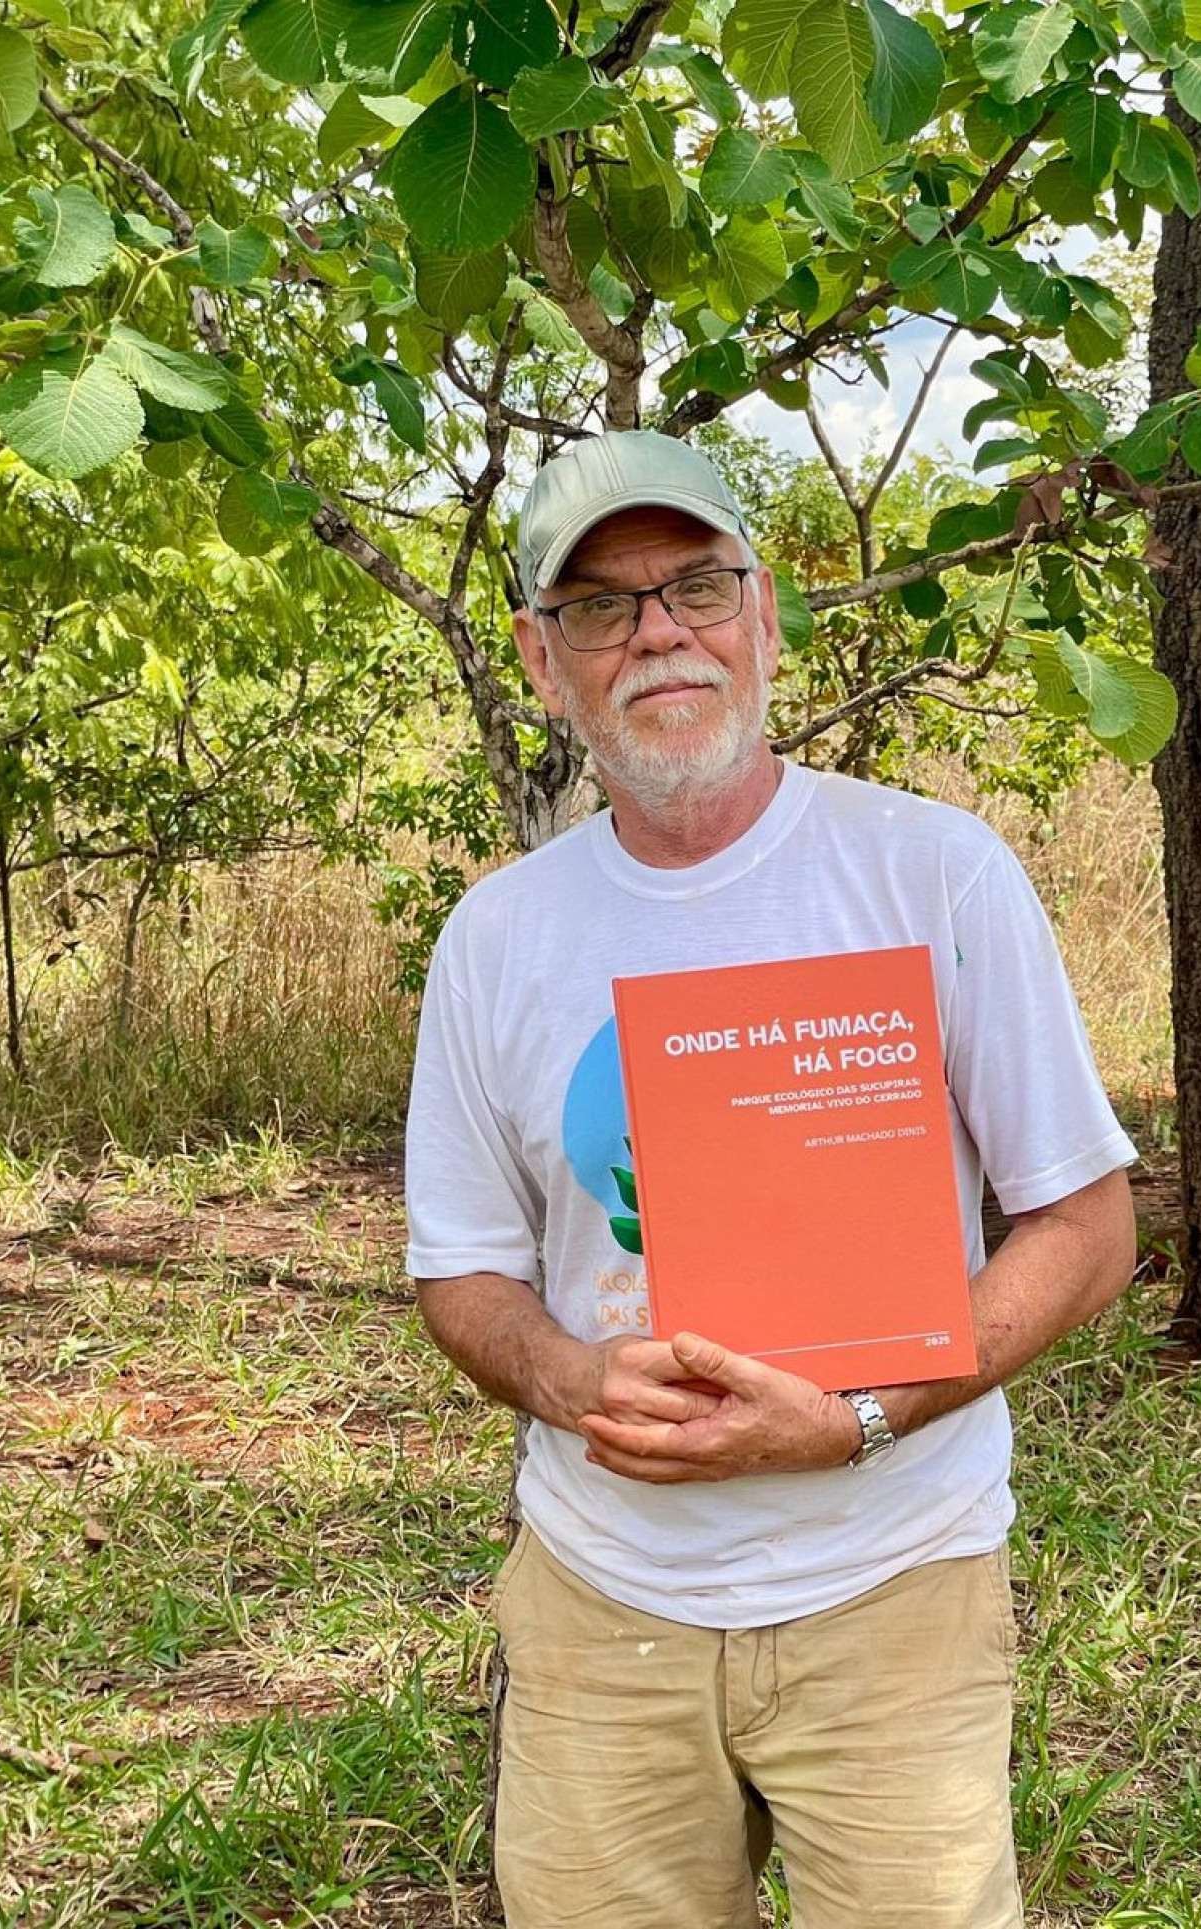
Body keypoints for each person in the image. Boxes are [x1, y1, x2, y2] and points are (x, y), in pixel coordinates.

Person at [402, 429, 1139, 1928]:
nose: (659, 631)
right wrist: (561, 1374)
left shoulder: (932, 872)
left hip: (897, 1586)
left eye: (696, 585)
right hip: (604, 1601)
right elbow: (464, 1269)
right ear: (547, 663)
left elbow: (1087, 1223)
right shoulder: (497, 938)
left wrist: (857, 1418)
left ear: (767, 616)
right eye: (602, 606)